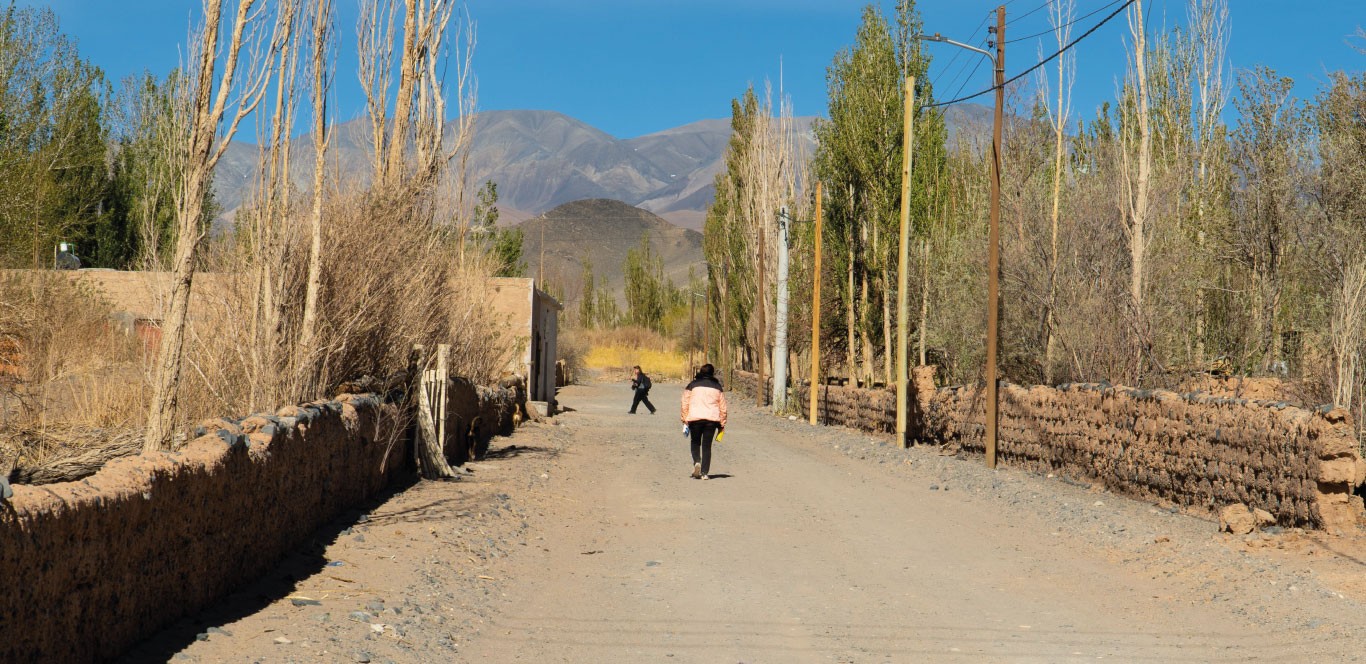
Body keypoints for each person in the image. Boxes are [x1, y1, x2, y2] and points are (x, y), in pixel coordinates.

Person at [681, 363, 727, 480]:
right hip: (711, 420)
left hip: (695, 419)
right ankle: (705, 473)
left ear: (701, 372)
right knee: (707, 446)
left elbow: (685, 402)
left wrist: (685, 418)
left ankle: (697, 461)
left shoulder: (692, 385)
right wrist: (722, 422)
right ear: (712, 373)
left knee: (695, 442)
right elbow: (723, 407)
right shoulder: (717, 387)